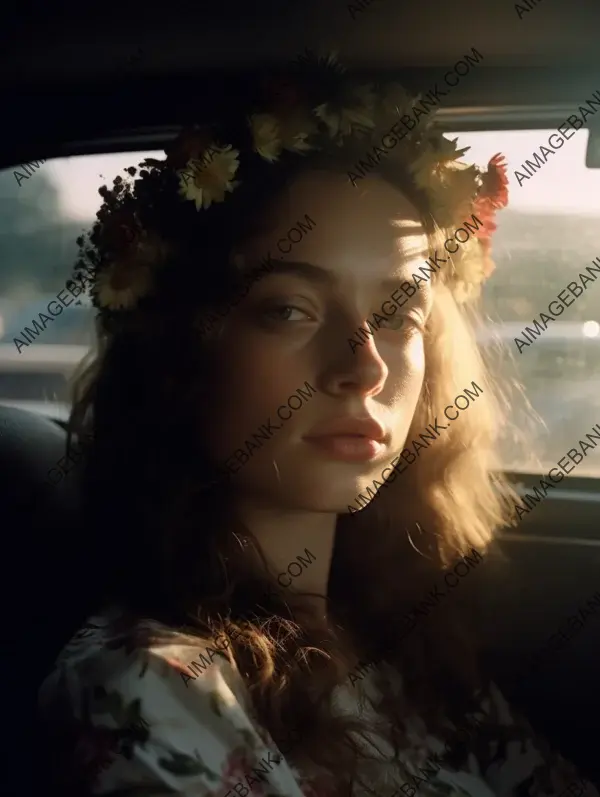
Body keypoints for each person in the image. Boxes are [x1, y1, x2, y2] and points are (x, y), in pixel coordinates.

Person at [38, 52, 598, 797]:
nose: (362, 366)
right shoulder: (149, 685)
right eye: (289, 308)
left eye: (399, 314)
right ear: (179, 354)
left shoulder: (399, 647)